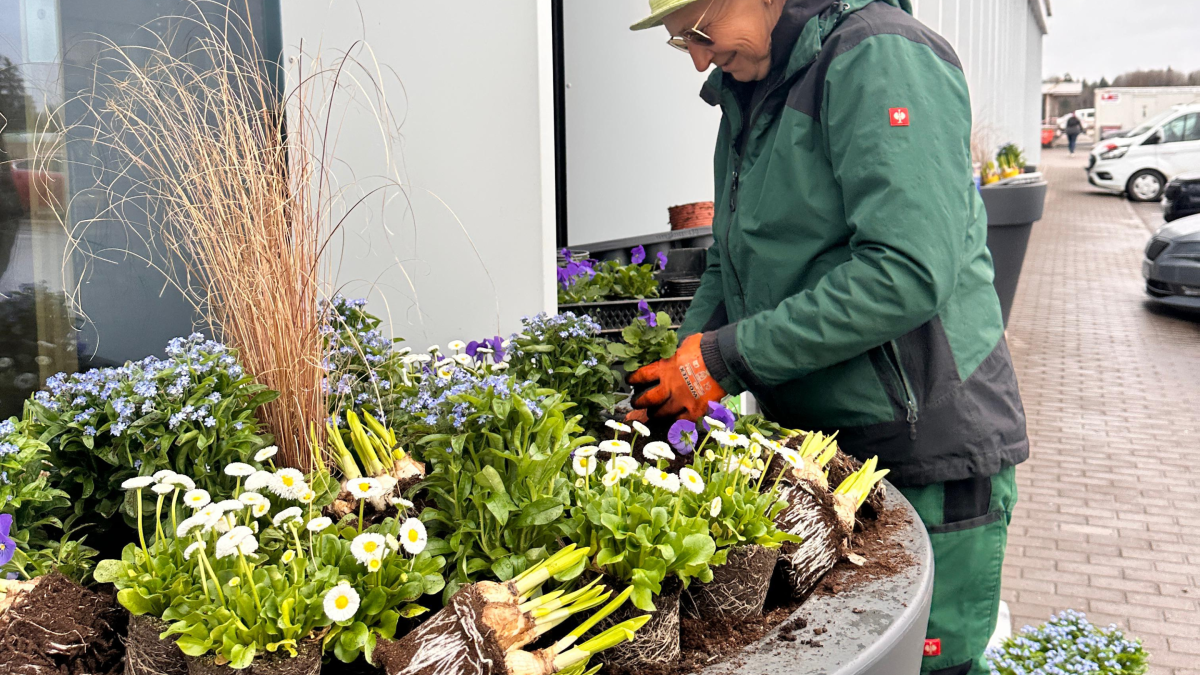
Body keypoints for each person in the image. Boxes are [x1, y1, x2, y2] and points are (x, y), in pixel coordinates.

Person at [626, 2, 1028, 674]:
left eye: (700, 32)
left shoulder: (879, 57)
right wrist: (678, 375)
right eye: (679, 45)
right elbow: (730, 260)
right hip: (826, 460)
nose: (698, 59)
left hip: (924, 451)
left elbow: (903, 272)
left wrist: (722, 360)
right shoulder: (751, 90)